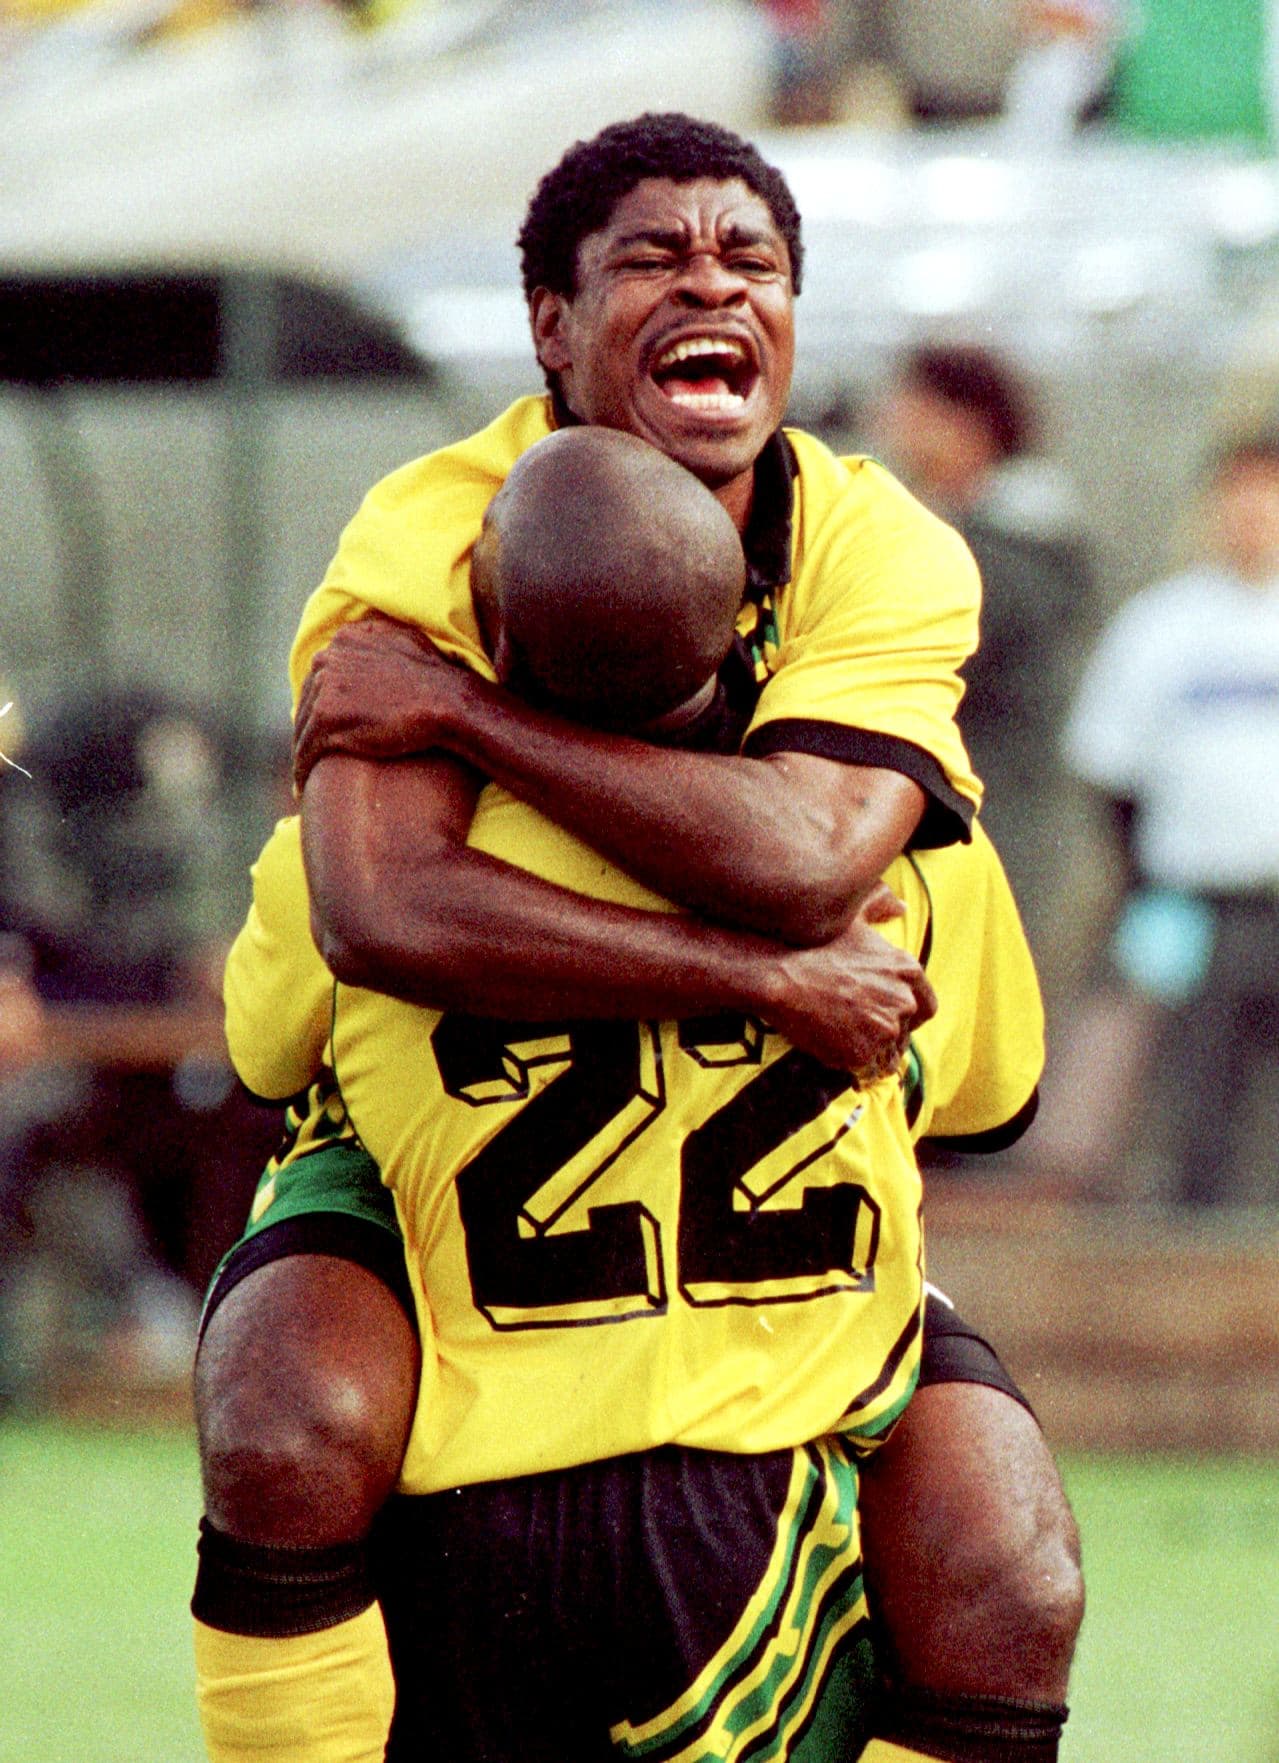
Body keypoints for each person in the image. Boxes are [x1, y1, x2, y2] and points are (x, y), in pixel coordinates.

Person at [194, 114, 1083, 1763]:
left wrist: (461, 718)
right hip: (671, 1335)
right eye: (654, 258)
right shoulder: (427, 521)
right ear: (548, 325)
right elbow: (381, 909)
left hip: (545, 1282)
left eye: (748, 259)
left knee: (289, 1418)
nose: (711, 283)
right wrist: (758, 981)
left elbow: (301, 984)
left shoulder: (869, 543)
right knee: (1004, 1568)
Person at [1063, 432, 1279, 1206]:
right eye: (1238, 492)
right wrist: (1145, 876)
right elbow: (1109, 768)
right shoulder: (1160, 626)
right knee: (1195, 1089)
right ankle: (1190, 1250)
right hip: (1194, 901)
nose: (1252, 512)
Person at [870, 343, 1094, 1007]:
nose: (890, 422)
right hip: (975, 820)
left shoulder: (1001, 548)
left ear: (967, 425)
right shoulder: (992, 533)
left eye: (910, 407)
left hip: (985, 825)